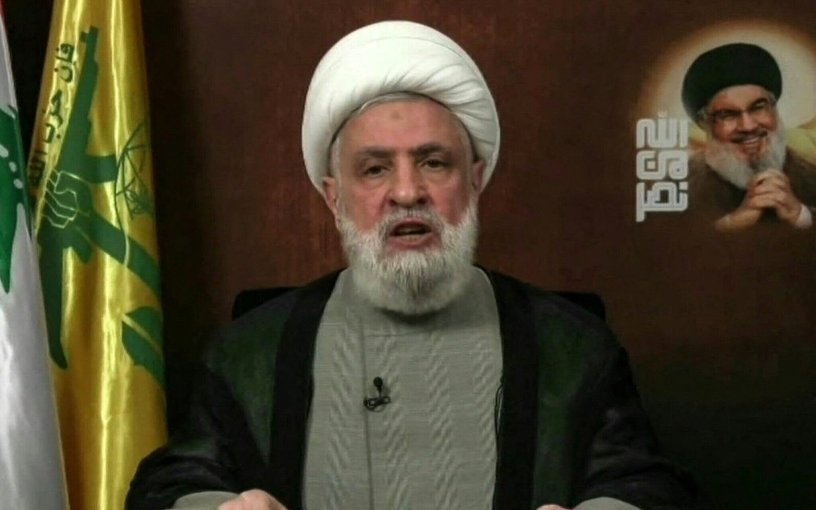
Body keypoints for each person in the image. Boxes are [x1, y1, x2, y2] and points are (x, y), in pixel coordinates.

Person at [127, 21, 700, 510]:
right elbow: (171, 483)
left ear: (474, 180)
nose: (407, 192)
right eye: (375, 169)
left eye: (433, 162)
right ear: (333, 195)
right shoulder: (251, 350)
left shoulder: (571, 347)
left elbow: (645, 484)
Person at [681, 42, 816, 232]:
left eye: (758, 107)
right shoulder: (679, 189)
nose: (748, 126)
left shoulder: (812, 177)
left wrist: (801, 215)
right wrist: (730, 226)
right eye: (727, 114)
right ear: (705, 124)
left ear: (775, 111)